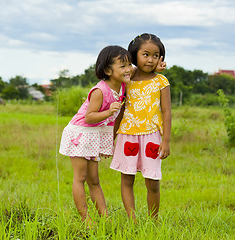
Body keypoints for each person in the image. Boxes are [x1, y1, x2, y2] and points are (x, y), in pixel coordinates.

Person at [59, 45, 133, 223]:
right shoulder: (100, 91)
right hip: (81, 134)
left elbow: (139, 68)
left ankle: (105, 218)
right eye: (122, 66)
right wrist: (108, 112)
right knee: (81, 177)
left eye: (129, 64)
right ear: (108, 70)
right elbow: (90, 117)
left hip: (94, 135)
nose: (128, 69)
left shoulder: (122, 85)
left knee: (94, 180)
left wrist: (157, 66)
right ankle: (86, 220)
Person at [110, 33, 171, 220]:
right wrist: (111, 136)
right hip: (127, 135)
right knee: (127, 178)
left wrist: (166, 141)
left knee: (152, 181)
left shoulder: (161, 81)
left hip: (152, 136)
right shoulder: (127, 80)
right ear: (134, 55)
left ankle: (153, 220)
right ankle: (132, 220)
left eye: (155, 55)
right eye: (145, 54)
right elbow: (119, 111)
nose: (150, 60)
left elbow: (167, 112)